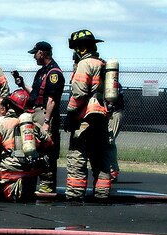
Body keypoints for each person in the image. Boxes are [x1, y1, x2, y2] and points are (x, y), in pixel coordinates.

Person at [63, 29, 112, 201]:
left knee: (77, 155)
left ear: (79, 48)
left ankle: (75, 195)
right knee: (100, 158)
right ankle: (102, 194)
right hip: (101, 117)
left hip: (85, 118)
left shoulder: (85, 65)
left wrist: (70, 116)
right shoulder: (102, 64)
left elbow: (79, 94)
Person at [13, 41, 65, 193]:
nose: (34, 57)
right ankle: (31, 185)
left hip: (44, 114)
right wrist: (22, 84)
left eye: (35, 53)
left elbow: (52, 100)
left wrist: (47, 122)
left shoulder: (54, 73)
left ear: (42, 53)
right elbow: (36, 94)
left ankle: (47, 188)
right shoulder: (41, 72)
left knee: (47, 150)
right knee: (32, 149)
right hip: (35, 113)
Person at [105, 81, 124, 181]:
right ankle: (111, 169)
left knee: (109, 141)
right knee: (107, 141)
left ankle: (113, 170)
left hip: (115, 113)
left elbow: (115, 97)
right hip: (109, 114)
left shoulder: (112, 83)